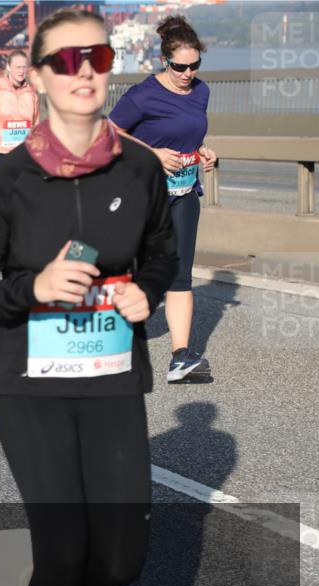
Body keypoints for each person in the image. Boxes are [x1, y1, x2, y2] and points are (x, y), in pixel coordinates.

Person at [0, 9, 178, 586]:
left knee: (121, 560)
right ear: (42, 77)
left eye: (100, 59)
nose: (86, 72)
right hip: (30, 385)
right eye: (68, 61)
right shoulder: (10, 179)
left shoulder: (140, 170)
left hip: (111, 379)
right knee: (62, 547)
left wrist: (150, 288)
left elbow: (163, 250)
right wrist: (34, 288)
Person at [110, 16, 216, 383]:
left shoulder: (201, 92)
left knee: (180, 275)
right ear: (164, 61)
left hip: (185, 193)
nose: (188, 73)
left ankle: (180, 358)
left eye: (194, 65)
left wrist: (202, 150)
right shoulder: (142, 95)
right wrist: (153, 155)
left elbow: (189, 130)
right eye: (179, 66)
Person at [0, 50, 39, 173]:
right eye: (18, 67)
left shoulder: (32, 95)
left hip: (24, 156)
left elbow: (35, 128)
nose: (21, 71)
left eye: (24, 67)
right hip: (0, 156)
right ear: (9, 67)